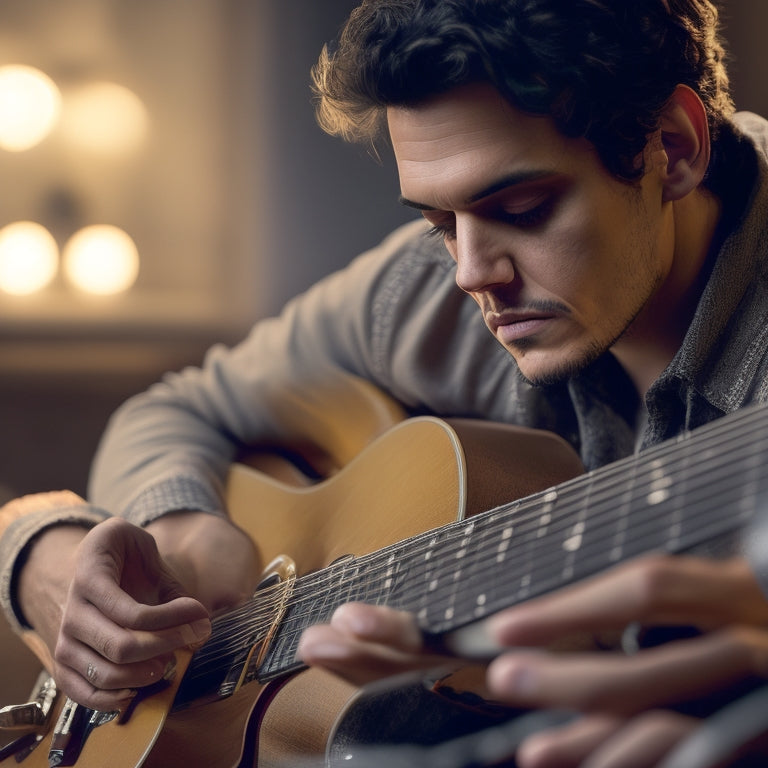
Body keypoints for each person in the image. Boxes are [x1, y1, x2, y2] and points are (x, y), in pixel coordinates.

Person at [2, 0, 768, 765]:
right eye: (440, 222)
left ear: (673, 146)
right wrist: (79, 546)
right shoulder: (422, 292)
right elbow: (177, 407)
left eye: (525, 209)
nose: (472, 274)